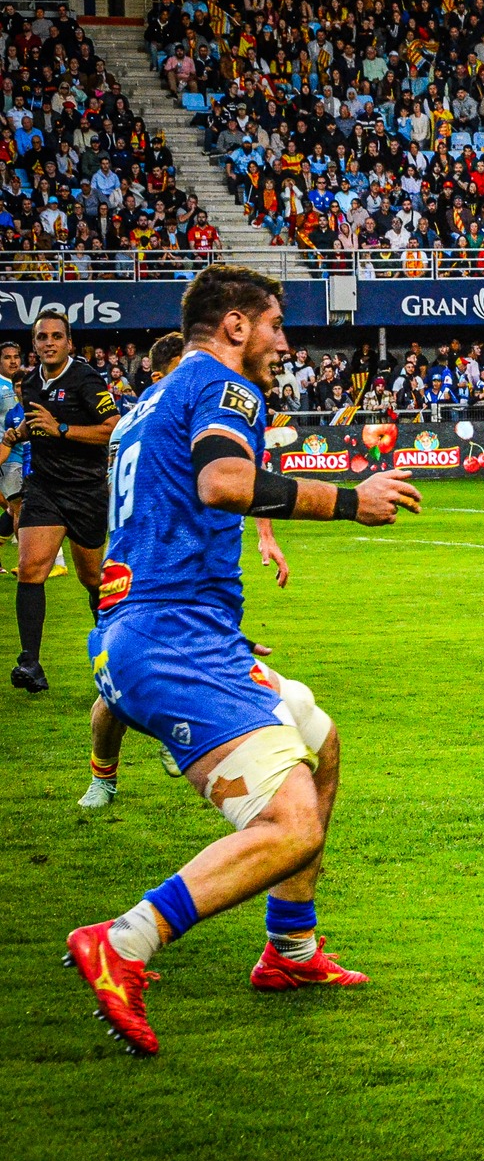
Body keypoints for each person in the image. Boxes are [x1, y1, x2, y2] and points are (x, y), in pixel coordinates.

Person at [67, 264, 422, 1057]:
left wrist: (205, 618)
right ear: (235, 326)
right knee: (290, 824)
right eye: (273, 324)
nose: (282, 342)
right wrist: (349, 499)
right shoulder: (227, 389)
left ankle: (290, 951)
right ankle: (124, 942)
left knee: (320, 741)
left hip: (158, 627)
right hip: (172, 640)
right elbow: (224, 482)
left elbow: (157, 514)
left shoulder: (153, 398)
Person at [79, 332, 293, 810]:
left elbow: (245, 475)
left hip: (182, 577)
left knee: (135, 682)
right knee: (118, 696)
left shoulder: (144, 420)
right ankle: (106, 775)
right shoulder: (175, 412)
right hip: (158, 577)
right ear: (161, 375)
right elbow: (212, 486)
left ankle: (180, 735)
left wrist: (264, 535)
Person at [5, 310, 118, 692]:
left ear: (69, 343)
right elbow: (37, 423)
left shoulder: (86, 379)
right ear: (33, 344)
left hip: (85, 491)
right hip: (45, 488)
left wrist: (62, 428)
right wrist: (18, 433)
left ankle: (114, 654)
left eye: (56, 336)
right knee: (30, 568)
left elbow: (112, 428)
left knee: (92, 580)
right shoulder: (31, 382)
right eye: (42, 337)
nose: (49, 342)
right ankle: (30, 664)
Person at [0, 340, 22, 573]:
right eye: (7, 357)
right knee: (18, 507)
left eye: (16, 356)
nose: (13, 361)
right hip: (6, 456)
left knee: (13, 508)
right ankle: (26, 559)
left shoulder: (25, 382)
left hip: (27, 453)